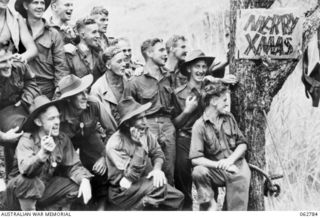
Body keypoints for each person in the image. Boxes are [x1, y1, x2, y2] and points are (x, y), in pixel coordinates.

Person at [5, 95, 93, 211]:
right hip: (18, 195)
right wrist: (42, 154)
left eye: (58, 117)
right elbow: (26, 171)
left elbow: (73, 166)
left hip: (43, 189)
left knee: (76, 186)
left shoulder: (61, 139)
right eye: (51, 119)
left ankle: (46, 212)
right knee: (30, 181)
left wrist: (84, 180)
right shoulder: (27, 140)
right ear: (38, 122)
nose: (57, 122)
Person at [106, 97, 184, 210]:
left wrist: (157, 169)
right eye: (140, 118)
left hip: (145, 183)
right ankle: (139, 208)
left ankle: (147, 205)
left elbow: (157, 153)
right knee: (159, 189)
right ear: (128, 123)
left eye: (145, 117)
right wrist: (138, 146)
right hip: (123, 191)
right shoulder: (115, 144)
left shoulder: (144, 131)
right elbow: (130, 176)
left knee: (177, 198)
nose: (145, 122)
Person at [56, 74, 116, 210]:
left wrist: (104, 156)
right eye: (79, 93)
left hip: (89, 139)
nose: (85, 96)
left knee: (101, 165)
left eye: (85, 91)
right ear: (69, 99)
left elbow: (112, 131)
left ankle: (102, 202)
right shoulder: (59, 114)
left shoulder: (93, 103)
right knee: (66, 170)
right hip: (67, 145)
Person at [190, 81, 251, 211]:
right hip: (216, 169)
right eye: (224, 100)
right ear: (213, 101)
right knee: (198, 172)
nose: (227, 103)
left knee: (238, 196)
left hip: (236, 165)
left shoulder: (228, 118)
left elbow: (242, 144)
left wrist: (230, 160)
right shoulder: (199, 125)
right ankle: (209, 207)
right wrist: (219, 164)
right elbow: (195, 159)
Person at [123, 38, 176, 185]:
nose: (166, 54)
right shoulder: (135, 81)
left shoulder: (169, 76)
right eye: (161, 50)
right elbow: (126, 110)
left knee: (169, 172)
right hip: (146, 127)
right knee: (148, 173)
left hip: (168, 127)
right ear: (149, 53)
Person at [172, 49, 215, 210]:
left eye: (204, 66)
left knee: (208, 178)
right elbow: (174, 123)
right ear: (189, 69)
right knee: (182, 176)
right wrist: (187, 111)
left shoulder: (211, 91)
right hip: (185, 140)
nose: (201, 70)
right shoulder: (178, 94)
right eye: (197, 66)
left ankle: (208, 209)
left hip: (206, 140)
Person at [15, 0, 70, 99]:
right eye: (36, 2)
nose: (40, 6)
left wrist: (58, 92)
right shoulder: (16, 31)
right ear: (26, 5)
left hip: (47, 90)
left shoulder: (53, 33)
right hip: (21, 89)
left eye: (42, 3)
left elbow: (61, 66)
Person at [0, 44, 40, 179]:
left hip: (21, 105)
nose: (9, 65)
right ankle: (14, 178)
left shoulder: (18, 65)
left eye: (10, 59)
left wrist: (25, 100)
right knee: (17, 130)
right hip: (4, 113)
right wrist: (2, 136)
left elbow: (31, 82)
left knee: (44, 118)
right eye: (3, 62)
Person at [90, 46, 127, 126]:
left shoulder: (129, 80)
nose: (124, 64)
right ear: (108, 65)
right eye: (119, 61)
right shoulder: (97, 89)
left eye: (124, 60)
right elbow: (95, 122)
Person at [65, 17, 105, 82]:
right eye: (94, 32)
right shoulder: (70, 56)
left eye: (98, 32)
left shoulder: (99, 53)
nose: (98, 35)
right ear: (83, 35)